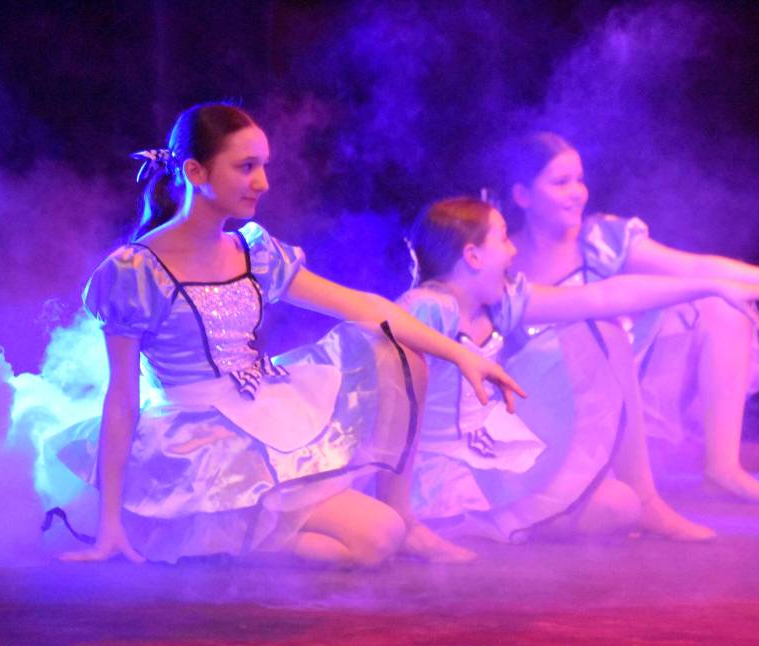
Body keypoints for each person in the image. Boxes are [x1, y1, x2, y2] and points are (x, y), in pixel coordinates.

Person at [52, 103, 521, 567]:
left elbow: (369, 307)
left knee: (397, 355)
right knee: (375, 542)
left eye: (264, 166)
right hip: (195, 444)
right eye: (246, 167)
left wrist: (463, 357)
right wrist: (108, 519)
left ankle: (393, 517)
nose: (263, 182)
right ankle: (207, 538)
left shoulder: (255, 252)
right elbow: (122, 399)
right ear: (196, 171)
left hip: (263, 411)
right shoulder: (135, 270)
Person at [401, 197, 759, 543]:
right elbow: (377, 389)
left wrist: (711, 288)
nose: (512, 249)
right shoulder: (426, 307)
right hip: (439, 480)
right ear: (473, 256)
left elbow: (605, 295)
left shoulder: (502, 302)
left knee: (620, 506)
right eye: (502, 239)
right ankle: (468, 524)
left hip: (492, 460)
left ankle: (638, 499)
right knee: (599, 331)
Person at [502, 132, 759, 506]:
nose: (577, 193)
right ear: (522, 195)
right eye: (561, 182)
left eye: (580, 180)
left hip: (618, 392)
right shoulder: (501, 256)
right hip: (540, 408)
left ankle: (722, 469)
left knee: (720, 308)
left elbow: (692, 266)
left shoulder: (600, 239)